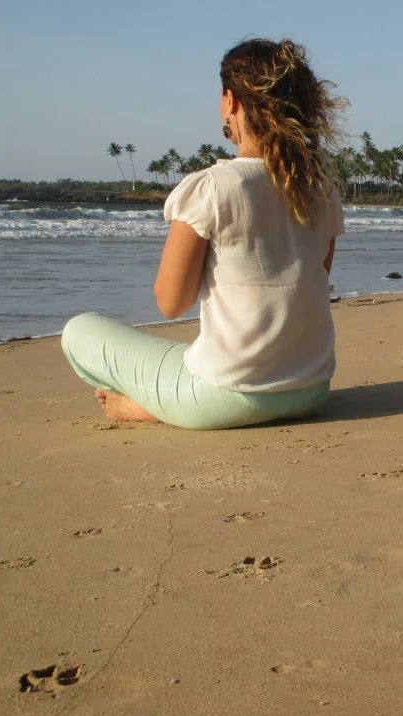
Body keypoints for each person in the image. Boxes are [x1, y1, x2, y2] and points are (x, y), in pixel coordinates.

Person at [61, 39, 345, 430]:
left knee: (79, 330)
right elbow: (315, 279)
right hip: (312, 389)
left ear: (231, 102)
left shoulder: (212, 187)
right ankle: (176, 400)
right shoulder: (321, 189)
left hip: (228, 396)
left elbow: (170, 302)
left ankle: (140, 407)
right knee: (186, 353)